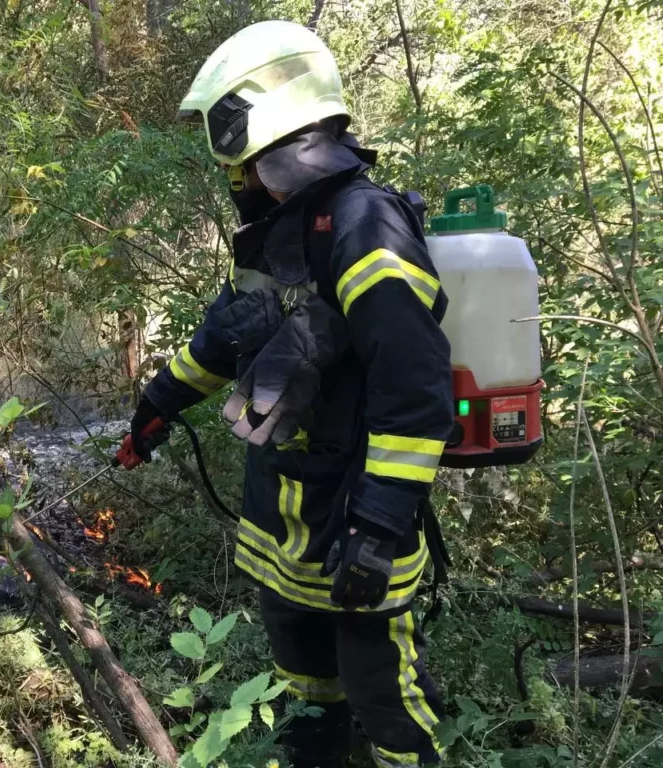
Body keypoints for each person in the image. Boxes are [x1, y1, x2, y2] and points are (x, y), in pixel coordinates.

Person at [127, 20, 454, 768]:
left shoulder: (364, 224)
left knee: (389, 705)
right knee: (306, 688)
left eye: (235, 160)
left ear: (263, 130)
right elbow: (227, 334)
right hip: (286, 519)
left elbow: (416, 390)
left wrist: (376, 530)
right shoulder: (282, 228)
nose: (233, 178)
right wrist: (157, 405)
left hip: (354, 519)